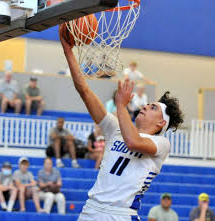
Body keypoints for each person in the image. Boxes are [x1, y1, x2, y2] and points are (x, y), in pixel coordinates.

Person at [59, 33, 184, 221]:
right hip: (91, 210)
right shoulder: (114, 129)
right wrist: (68, 50)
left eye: (152, 107)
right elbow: (84, 91)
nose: (144, 107)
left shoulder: (161, 143)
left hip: (121, 215)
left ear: (161, 123)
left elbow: (133, 141)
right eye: (146, 104)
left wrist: (120, 105)